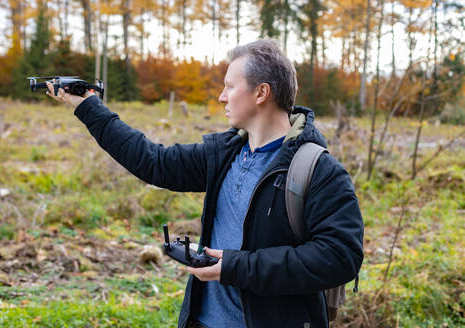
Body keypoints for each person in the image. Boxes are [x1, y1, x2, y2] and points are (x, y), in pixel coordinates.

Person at [46, 39, 364, 328]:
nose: (221, 96)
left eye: (229, 86)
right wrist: (89, 107)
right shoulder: (224, 154)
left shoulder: (318, 171)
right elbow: (153, 161)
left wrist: (238, 267)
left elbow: (341, 257)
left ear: (261, 93)